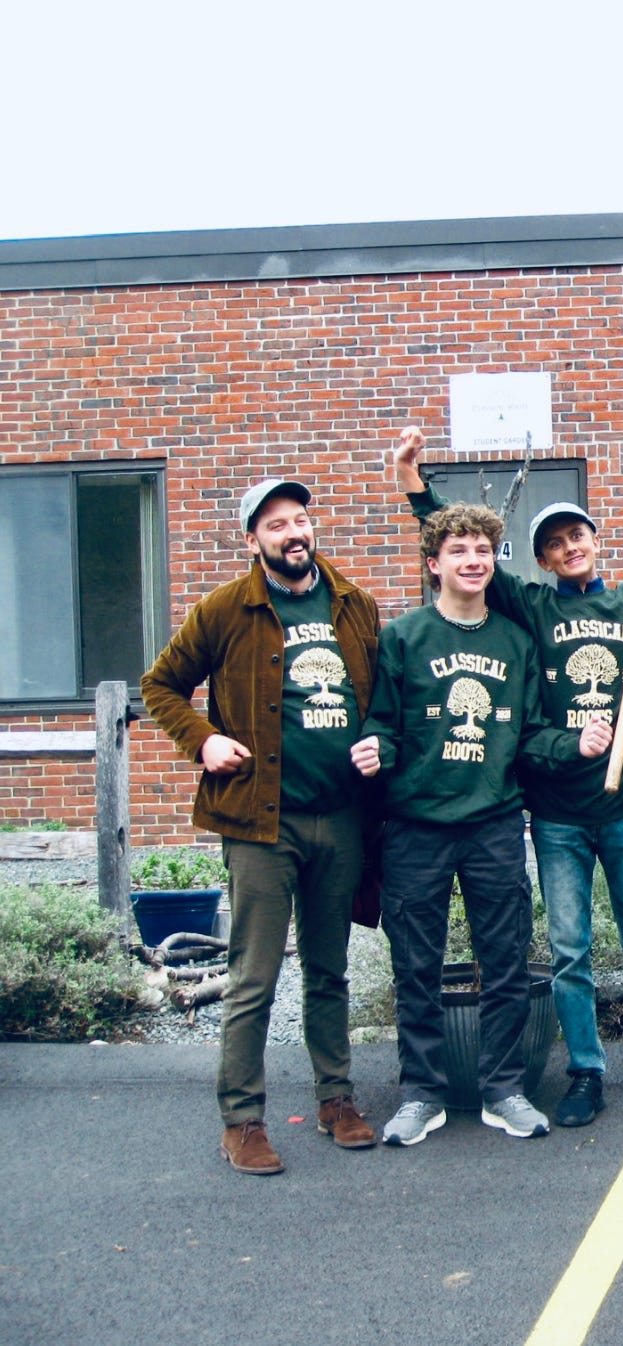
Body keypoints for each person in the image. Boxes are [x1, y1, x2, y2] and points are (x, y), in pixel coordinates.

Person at [392, 428, 623, 1125]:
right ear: (543, 560)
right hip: (556, 816)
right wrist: (416, 486)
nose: (570, 547)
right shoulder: (535, 609)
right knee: (570, 951)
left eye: (578, 535)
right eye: (554, 543)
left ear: (594, 540)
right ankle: (585, 1071)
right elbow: (460, 549)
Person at [142, 478, 382, 1176]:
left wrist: (382, 743)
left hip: (342, 816)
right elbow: (160, 684)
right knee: (254, 978)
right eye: (275, 525)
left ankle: (337, 1100)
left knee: (330, 969)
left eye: (299, 519)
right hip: (260, 824)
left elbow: (383, 698)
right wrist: (203, 740)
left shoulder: (354, 604)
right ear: (253, 540)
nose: (292, 533)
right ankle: (242, 1121)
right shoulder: (224, 609)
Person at [351, 503, 608, 1145]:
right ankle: (422, 1094)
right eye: (458, 551)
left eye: (483, 551)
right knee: (416, 966)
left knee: (506, 961)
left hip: (494, 823)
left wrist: (573, 744)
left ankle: (503, 1089)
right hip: (416, 826)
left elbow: (530, 735)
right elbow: (383, 723)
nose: (473, 561)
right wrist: (375, 749)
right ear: (433, 564)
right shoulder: (404, 638)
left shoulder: (515, 642)